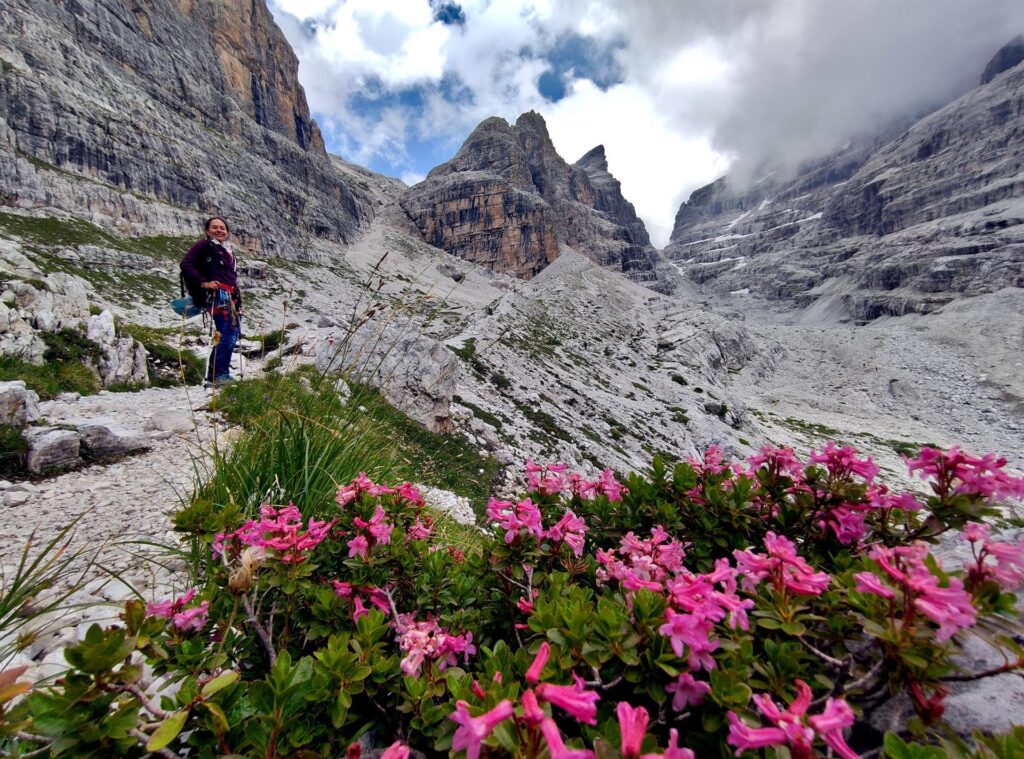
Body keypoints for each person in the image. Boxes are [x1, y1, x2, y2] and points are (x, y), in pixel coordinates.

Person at [180, 217, 242, 384]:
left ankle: (215, 374)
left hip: (232, 298)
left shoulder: (227, 252)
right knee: (228, 335)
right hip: (219, 298)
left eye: (222, 228)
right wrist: (204, 283)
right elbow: (186, 264)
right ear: (207, 231)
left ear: (227, 232)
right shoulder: (204, 246)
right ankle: (219, 374)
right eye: (214, 227)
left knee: (229, 334)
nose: (219, 230)